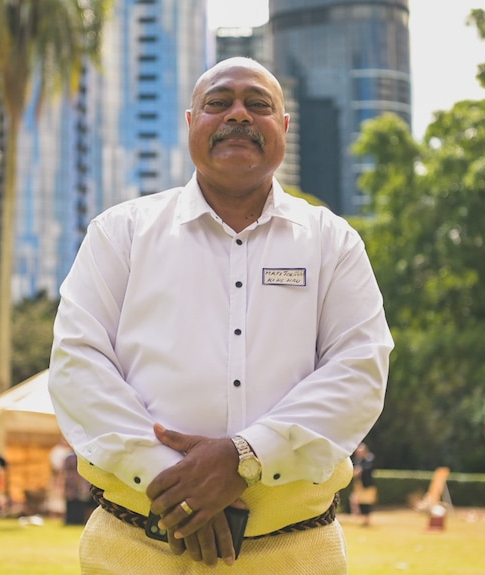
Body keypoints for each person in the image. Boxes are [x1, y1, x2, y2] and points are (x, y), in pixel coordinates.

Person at [48, 56, 394, 573]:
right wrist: (178, 486)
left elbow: (359, 369)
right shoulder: (120, 232)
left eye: (258, 105)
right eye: (218, 103)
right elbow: (79, 365)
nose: (238, 115)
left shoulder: (331, 242)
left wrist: (244, 458)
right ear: (190, 122)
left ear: (284, 127)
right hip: (135, 546)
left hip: (293, 552)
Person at [351, 443, 377, 526]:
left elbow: (369, 468)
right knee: (358, 501)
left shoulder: (370, 458)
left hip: (367, 485)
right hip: (359, 485)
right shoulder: (358, 460)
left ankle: (367, 520)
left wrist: (361, 470)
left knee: (367, 503)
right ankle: (361, 517)